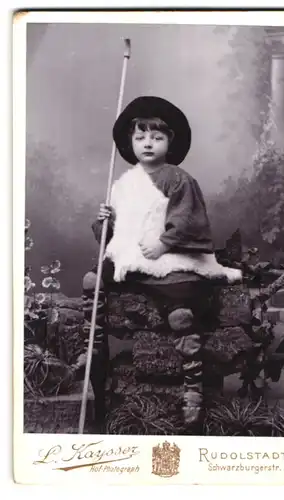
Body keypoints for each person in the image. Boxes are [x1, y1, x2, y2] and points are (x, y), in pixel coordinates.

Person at [78, 96, 242, 427]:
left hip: (172, 255)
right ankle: (91, 346)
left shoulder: (179, 180)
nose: (148, 143)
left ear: (170, 142)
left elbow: (190, 221)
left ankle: (192, 385)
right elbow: (112, 235)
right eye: (140, 137)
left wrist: (163, 243)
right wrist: (105, 220)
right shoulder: (124, 183)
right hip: (132, 256)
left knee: (180, 309)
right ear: (130, 143)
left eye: (157, 137)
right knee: (92, 280)